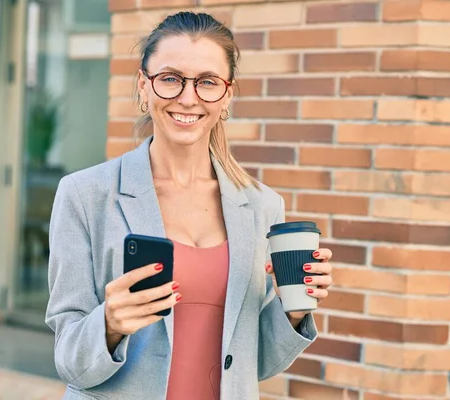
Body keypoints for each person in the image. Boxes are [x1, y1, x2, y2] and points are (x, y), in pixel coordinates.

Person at [45, 11, 333, 400]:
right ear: (144, 87)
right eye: (170, 79)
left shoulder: (263, 206)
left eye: (207, 83)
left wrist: (293, 311)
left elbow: (254, 362)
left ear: (227, 95)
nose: (187, 97)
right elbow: (69, 360)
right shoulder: (85, 195)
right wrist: (109, 323)